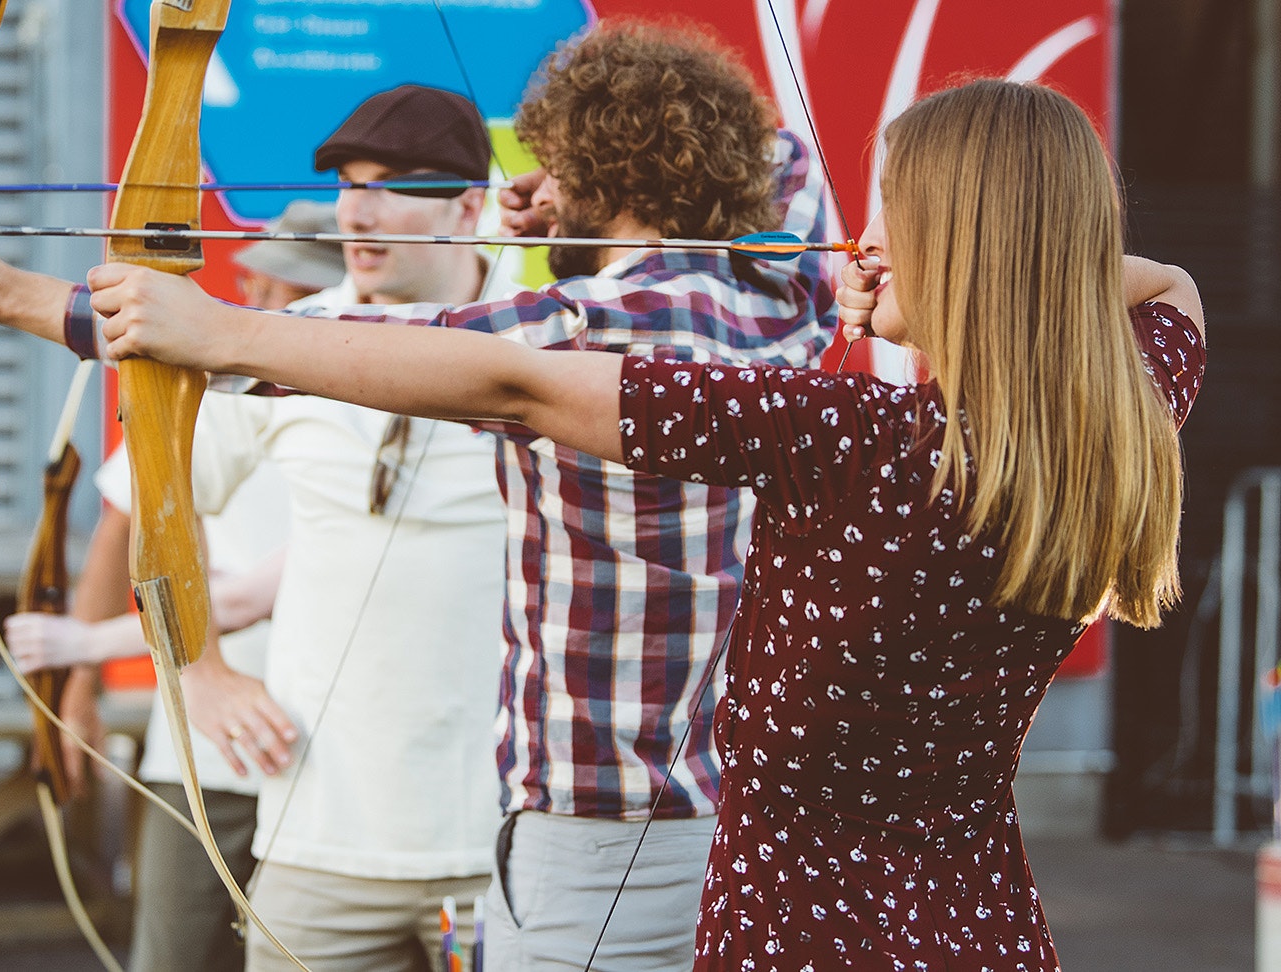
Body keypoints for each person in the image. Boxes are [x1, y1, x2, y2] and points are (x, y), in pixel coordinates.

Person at [87, 78, 1204, 970]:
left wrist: (220, 334)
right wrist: (1011, 270)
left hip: (800, 939)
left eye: (893, 222)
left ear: (957, 248)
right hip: (979, 925)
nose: (861, 242)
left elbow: (509, 383)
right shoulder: (1121, 419)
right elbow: (1170, 290)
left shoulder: (854, 435)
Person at [0, 22, 839, 969]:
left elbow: (286, 348)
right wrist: (595, 189)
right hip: (729, 818)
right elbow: (790, 166)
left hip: (587, 835)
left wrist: (0, 295)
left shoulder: (565, 332)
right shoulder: (783, 300)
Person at [0, 86, 511, 972]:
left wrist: (1, 287)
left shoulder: (543, 338)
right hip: (316, 837)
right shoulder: (289, 333)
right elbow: (159, 500)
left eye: (397, 184)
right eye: (348, 182)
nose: (360, 208)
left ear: (468, 205)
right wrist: (200, 674)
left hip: (491, 839)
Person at [4, 202, 345, 972]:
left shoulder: (391, 381)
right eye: (297, 293)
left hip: (337, 749)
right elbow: (121, 531)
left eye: (331, 294)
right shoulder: (203, 388)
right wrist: (79, 688)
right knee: (177, 954)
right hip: (209, 739)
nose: (321, 314)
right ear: (253, 284)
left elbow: (256, 589)